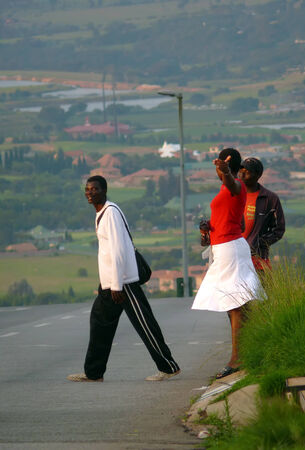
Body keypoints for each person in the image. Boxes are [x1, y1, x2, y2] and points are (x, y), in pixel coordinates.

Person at [67, 175, 180, 382]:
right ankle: (93, 372)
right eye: (88, 189)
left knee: (144, 323)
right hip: (111, 283)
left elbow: (118, 250)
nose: (90, 192)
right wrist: (109, 283)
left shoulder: (110, 213)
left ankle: (169, 367)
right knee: (99, 321)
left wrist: (117, 284)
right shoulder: (101, 212)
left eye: (95, 189)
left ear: (104, 190)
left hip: (123, 282)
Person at [192, 149, 264, 379]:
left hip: (231, 249)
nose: (217, 171)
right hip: (223, 247)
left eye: (220, 167)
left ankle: (237, 359)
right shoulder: (225, 189)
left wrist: (224, 172)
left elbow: (233, 185)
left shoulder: (236, 186)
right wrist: (207, 233)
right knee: (235, 305)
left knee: (235, 305)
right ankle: (252, 350)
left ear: (228, 167)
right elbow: (232, 220)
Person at [239, 157, 285, 273]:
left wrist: (260, 243)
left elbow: (279, 229)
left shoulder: (270, 199)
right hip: (234, 258)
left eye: (248, 172)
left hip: (258, 260)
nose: (242, 175)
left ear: (258, 175)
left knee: (260, 290)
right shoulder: (233, 195)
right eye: (241, 171)